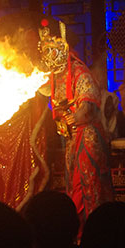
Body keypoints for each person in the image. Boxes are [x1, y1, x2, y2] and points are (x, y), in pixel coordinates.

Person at [37, 20, 114, 221]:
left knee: (91, 182)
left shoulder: (79, 72)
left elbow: (88, 103)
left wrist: (76, 116)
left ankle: (95, 227)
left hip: (88, 135)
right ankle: (78, 231)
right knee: (74, 186)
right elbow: (45, 89)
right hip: (71, 137)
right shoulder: (56, 76)